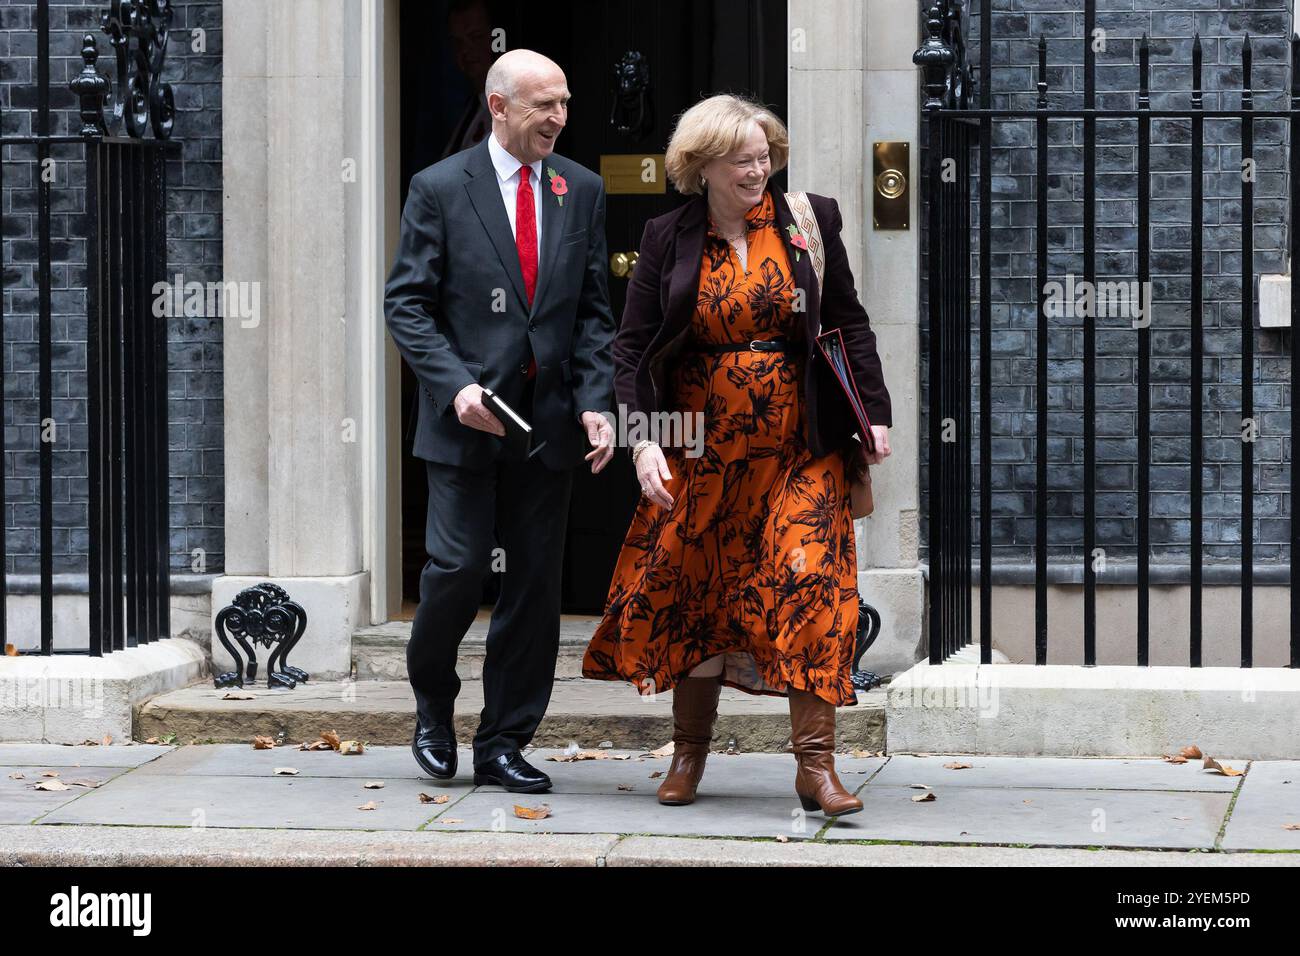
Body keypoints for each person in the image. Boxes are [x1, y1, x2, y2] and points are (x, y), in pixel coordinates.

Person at [581, 94, 892, 815]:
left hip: (800, 442)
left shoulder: (809, 221)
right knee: (699, 594)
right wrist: (643, 441)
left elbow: (846, 321)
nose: (759, 169)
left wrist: (872, 415)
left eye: (765, 156)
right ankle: (689, 755)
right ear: (703, 165)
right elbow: (631, 347)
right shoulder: (667, 236)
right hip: (702, 446)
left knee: (815, 588)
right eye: (743, 159)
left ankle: (816, 768)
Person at [385, 49, 616, 794]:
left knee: (533, 589)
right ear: (499, 105)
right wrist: (455, 388)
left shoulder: (579, 188)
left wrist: (594, 402)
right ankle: (433, 708)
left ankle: (504, 740)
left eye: (565, 103)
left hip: (546, 427)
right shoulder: (439, 188)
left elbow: (591, 315)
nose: (559, 118)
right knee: (454, 571)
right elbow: (407, 306)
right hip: (463, 423)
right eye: (544, 104)